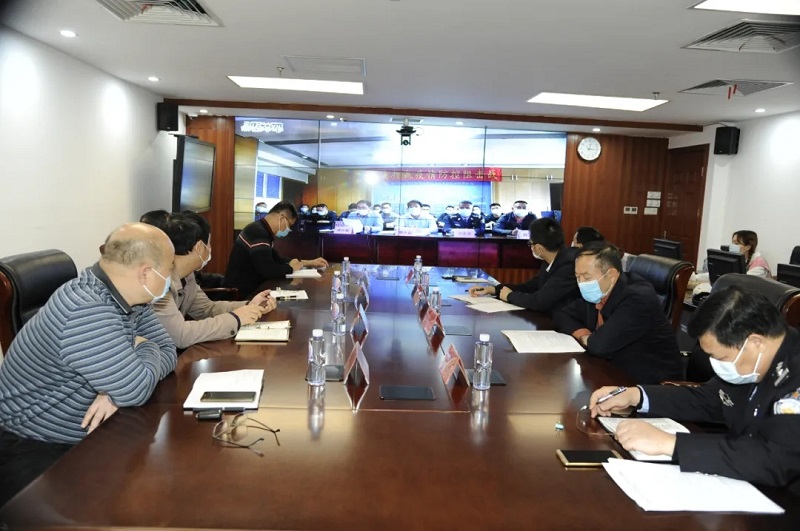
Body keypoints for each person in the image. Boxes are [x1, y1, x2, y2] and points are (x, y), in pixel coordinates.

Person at [0, 223, 178, 506]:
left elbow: (168, 350)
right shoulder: (86, 309)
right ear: (146, 273)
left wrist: (117, 385)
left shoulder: (131, 299)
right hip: (36, 445)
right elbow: (136, 388)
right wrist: (142, 354)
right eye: (169, 269)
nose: (171, 277)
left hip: (87, 430)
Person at [590, 286, 800, 492]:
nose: (716, 365)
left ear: (755, 342)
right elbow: (709, 398)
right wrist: (635, 395)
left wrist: (672, 444)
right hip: (747, 480)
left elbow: (776, 460)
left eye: (721, 358)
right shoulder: (753, 364)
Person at [553, 243, 682, 384]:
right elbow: (562, 314)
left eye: (586, 277)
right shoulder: (599, 292)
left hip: (650, 384)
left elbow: (599, 346)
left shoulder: (637, 299)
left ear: (612, 275)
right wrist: (584, 335)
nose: (581, 283)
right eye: (578, 277)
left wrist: (591, 341)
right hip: (611, 370)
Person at [150, 213, 277, 349]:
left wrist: (249, 305)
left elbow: (206, 309)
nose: (210, 248)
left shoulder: (188, 276)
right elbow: (181, 335)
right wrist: (236, 319)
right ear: (199, 246)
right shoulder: (157, 283)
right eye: (209, 243)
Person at [469, 218, 580, 315]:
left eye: (530, 243)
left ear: (539, 248)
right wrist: (494, 289)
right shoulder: (550, 259)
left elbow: (540, 301)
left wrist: (509, 296)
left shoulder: (569, 265)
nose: (530, 247)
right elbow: (530, 287)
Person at [223, 202, 328, 298]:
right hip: (240, 295)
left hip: (253, 289)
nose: (288, 230)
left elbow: (277, 259)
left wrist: (309, 262)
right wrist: (290, 268)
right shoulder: (257, 232)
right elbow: (268, 270)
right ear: (282, 218)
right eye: (289, 225)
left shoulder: (262, 229)